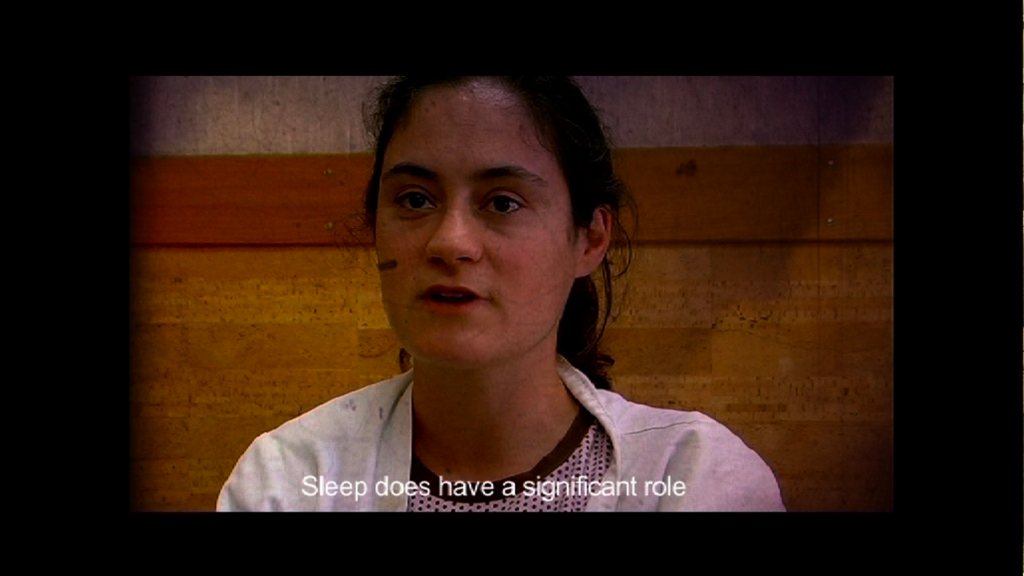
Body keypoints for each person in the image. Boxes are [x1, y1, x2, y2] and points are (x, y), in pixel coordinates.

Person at [218, 76, 785, 511]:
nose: (450, 242)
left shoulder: (694, 479)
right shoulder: (289, 481)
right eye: (415, 200)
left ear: (590, 239)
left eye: (503, 203)